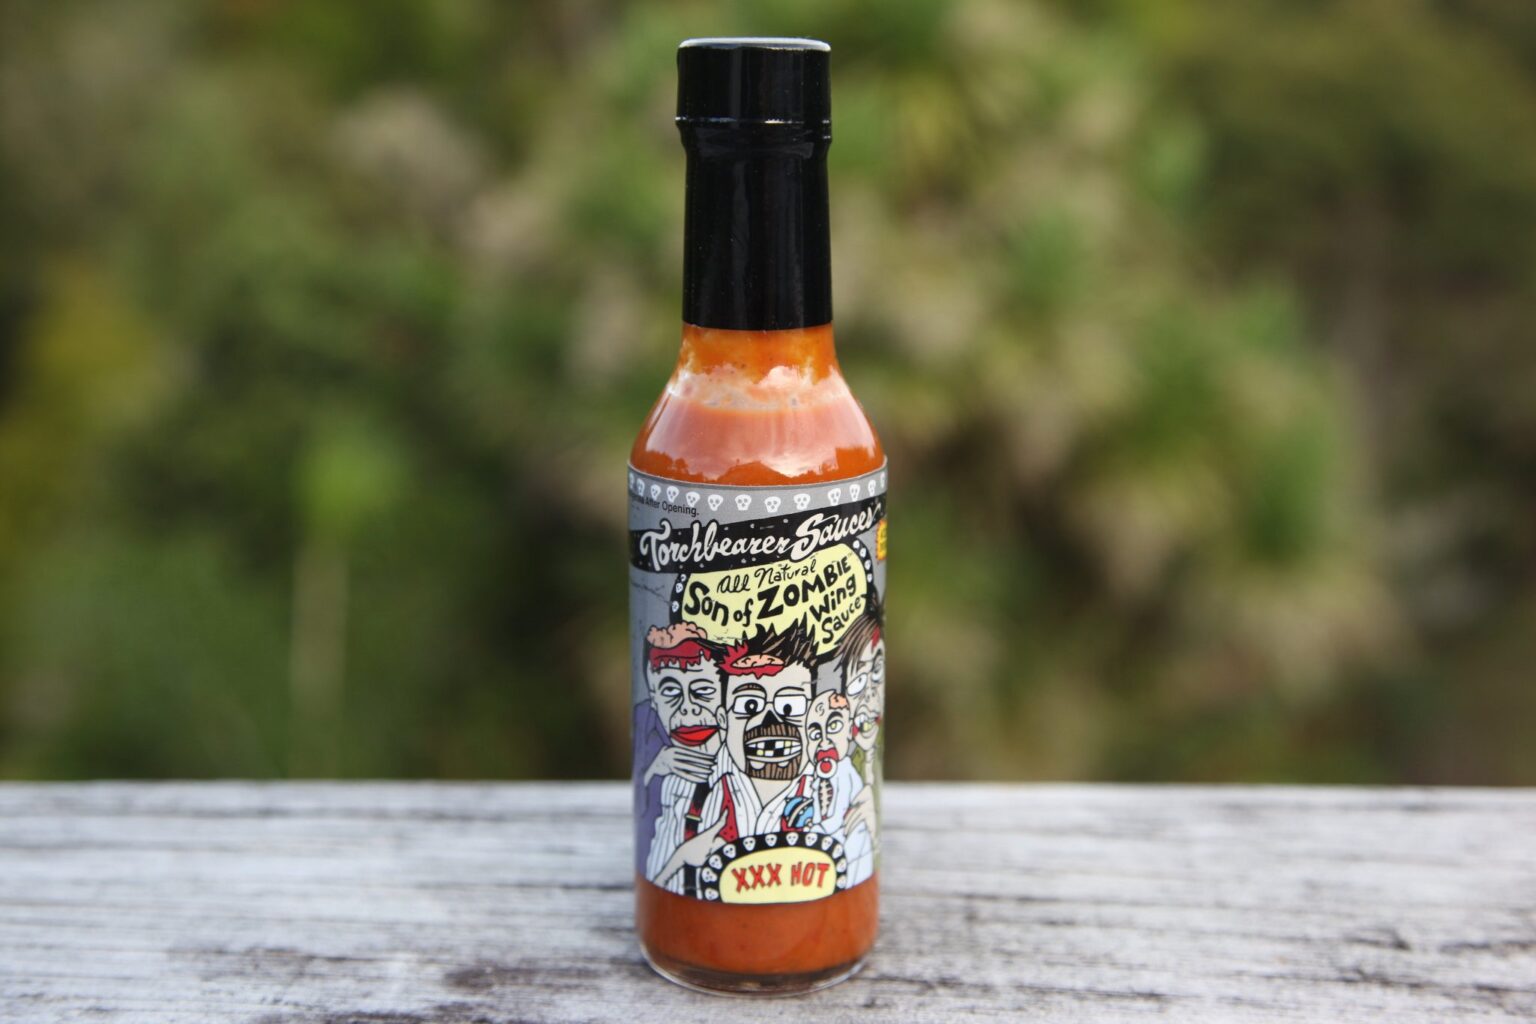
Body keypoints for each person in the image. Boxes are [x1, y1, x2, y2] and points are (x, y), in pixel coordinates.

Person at [650, 622, 817, 888]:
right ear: (723, 719)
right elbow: (659, 875)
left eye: (790, 705)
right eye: (749, 705)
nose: (769, 720)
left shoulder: (831, 790)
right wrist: (681, 858)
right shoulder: (690, 790)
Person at [633, 622, 726, 887]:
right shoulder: (653, 747)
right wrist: (654, 771)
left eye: (703, 691)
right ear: (654, 697)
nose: (688, 708)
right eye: (671, 692)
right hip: (667, 896)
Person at [783, 690, 875, 885]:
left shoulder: (846, 773)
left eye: (833, 726)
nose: (824, 741)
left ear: (849, 729)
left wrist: (813, 829)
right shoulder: (814, 779)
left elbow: (835, 820)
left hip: (849, 857)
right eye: (815, 734)